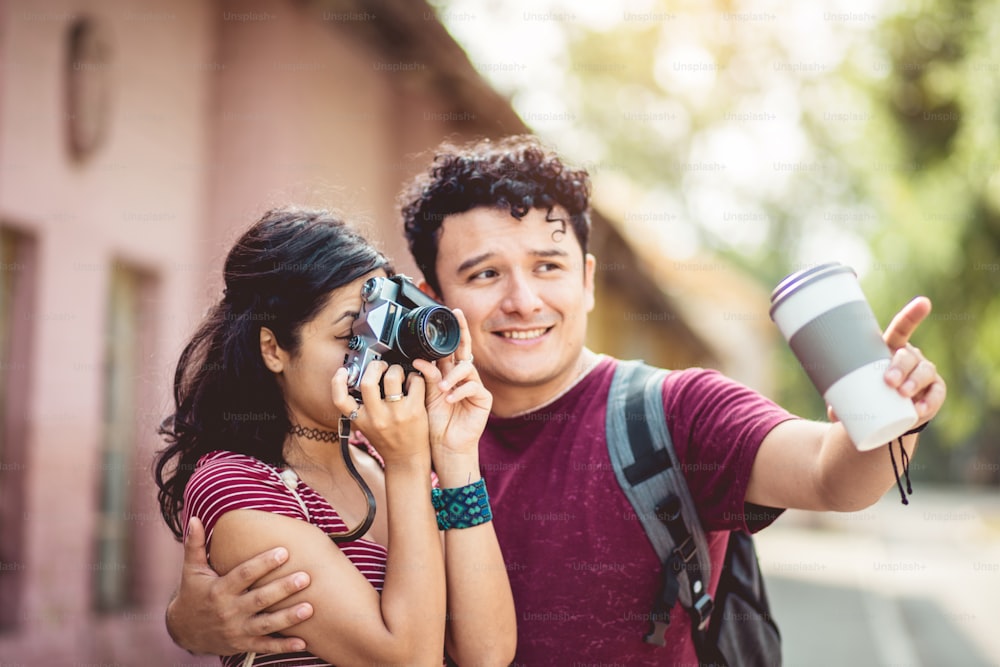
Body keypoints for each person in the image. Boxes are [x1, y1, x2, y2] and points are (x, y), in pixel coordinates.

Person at [163, 138, 946, 664]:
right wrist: (190, 625)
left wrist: (882, 414)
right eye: (483, 275)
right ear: (430, 300)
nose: (522, 299)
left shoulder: (669, 412)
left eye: (547, 264)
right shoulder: (398, 433)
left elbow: (832, 476)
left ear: (589, 279)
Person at [154, 206, 516, 666]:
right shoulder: (238, 486)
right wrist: (409, 466)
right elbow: (408, 661)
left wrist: (455, 456)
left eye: (384, 330)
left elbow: (487, 654)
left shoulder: (381, 459)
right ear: (273, 349)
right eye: (351, 336)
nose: (379, 356)